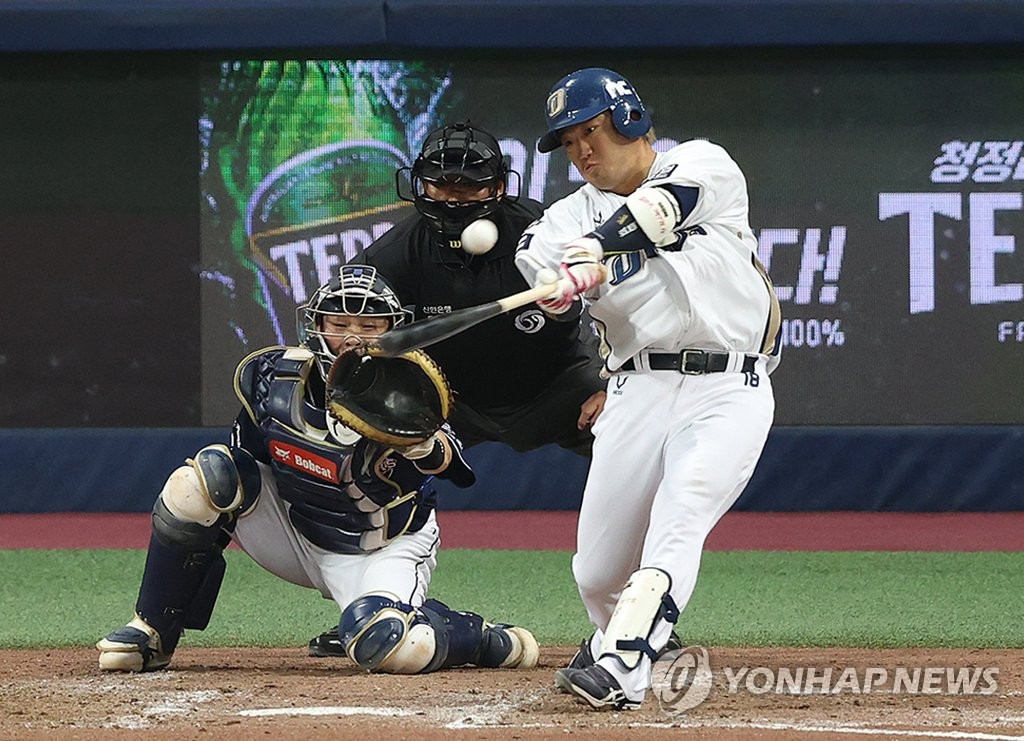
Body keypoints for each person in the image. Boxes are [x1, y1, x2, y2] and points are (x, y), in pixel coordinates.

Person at [96, 264, 539, 676]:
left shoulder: (405, 393)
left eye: (369, 326)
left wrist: (418, 440)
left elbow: (446, 463)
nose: (351, 337)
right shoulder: (274, 378)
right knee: (205, 477)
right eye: (339, 324)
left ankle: (478, 639)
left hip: (377, 546)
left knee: (390, 647)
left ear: (393, 331)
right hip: (295, 528)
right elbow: (241, 466)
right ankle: (152, 631)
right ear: (316, 326)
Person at [514, 68, 782, 710]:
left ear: (629, 121)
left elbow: (657, 213)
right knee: (598, 573)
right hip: (636, 390)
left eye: (591, 131)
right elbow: (544, 269)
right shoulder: (559, 223)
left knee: (682, 511)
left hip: (729, 386)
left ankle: (624, 667)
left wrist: (597, 253)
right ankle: (622, 631)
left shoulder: (705, 164)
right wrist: (560, 289)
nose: (582, 151)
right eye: (568, 141)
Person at [305, 121, 608, 657]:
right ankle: (374, 608)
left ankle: (638, 617)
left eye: (469, 186)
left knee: (631, 442)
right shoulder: (396, 255)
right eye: (442, 185)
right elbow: (339, 325)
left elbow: (622, 302)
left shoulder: (544, 231)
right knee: (358, 459)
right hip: (445, 402)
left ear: (498, 187)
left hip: (559, 388)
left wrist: (613, 383)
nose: (454, 197)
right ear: (419, 185)